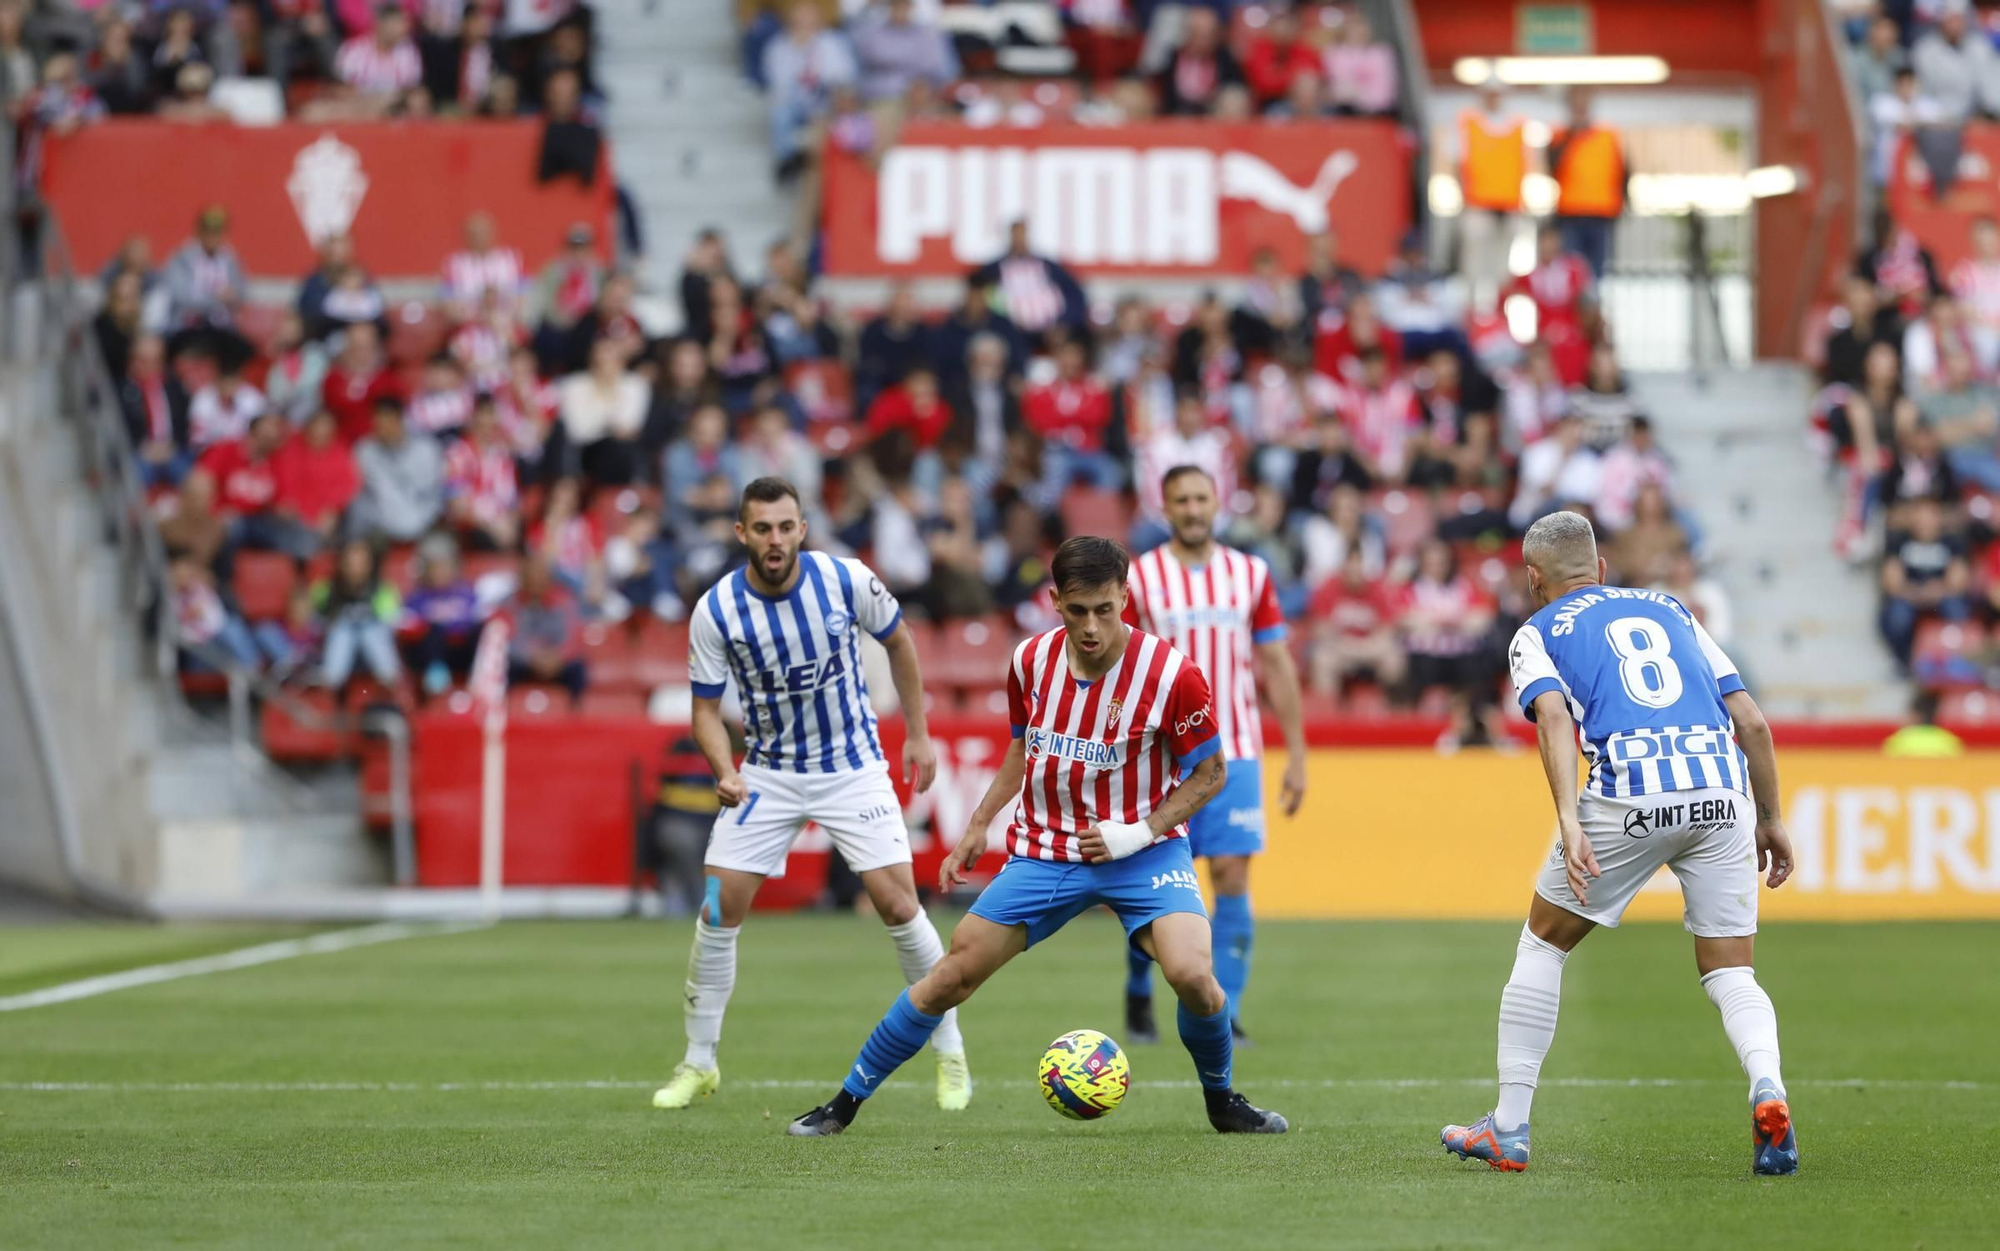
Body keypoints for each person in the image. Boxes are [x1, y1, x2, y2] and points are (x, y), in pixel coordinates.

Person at [786, 536, 1286, 1138]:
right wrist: (977, 825)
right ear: (1055, 601)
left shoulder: (1174, 674)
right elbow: (1025, 747)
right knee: (951, 976)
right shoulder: (1029, 662)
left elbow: (1212, 771)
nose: (1093, 626)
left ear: (1125, 597)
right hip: (1047, 852)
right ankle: (843, 1104)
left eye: (1106, 609)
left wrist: (1142, 830)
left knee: (1193, 979)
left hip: (1146, 853)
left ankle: (1222, 1100)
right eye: (1078, 611)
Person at [1441, 511, 1798, 1176]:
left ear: (1533, 578)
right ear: (1601, 568)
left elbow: (1550, 715)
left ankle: (1509, 1128)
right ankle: (1768, 1087)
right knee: (1731, 970)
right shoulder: (1671, 608)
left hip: (1629, 791)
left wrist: (1571, 819)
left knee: (1543, 941)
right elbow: (1749, 718)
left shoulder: (1536, 632)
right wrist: (1770, 816)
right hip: (1721, 792)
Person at [655, 477, 973, 1115]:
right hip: (766, 773)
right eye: (762, 529)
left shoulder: (845, 579)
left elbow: (900, 641)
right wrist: (724, 768)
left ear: (802, 528)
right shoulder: (716, 610)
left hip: (852, 767)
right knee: (718, 907)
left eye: (786, 527)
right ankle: (699, 1062)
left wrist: (918, 734)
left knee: (897, 903)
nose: (775, 540)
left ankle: (951, 1051)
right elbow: (705, 712)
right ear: (742, 533)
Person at [1117, 466, 1306, 1043]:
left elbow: (1275, 663)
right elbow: (1120, 664)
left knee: (1230, 874)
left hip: (1237, 749)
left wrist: (1297, 752)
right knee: (1152, 882)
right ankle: (1140, 988)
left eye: (1202, 498)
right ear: (1165, 506)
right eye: (1182, 500)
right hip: (1160, 755)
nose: (1194, 509)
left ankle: (1224, 1010)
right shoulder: (1142, 578)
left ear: (1217, 502)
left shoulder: (1249, 574)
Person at [1458, 85, 1526, 307]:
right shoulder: (1469, 123)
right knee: (1473, 267)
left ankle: (1500, 314)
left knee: (1502, 270)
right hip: (1478, 206)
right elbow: (1458, 164)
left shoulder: (1517, 126)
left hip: (1508, 208)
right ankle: (1471, 314)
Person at [1548, 88, 1628, 279]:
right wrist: (1571, 136)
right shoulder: (1560, 136)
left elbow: (1623, 171)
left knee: (1597, 270)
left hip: (1601, 214)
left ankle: (1593, 306)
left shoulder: (1608, 135)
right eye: (1576, 103)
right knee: (1571, 270)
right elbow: (1552, 167)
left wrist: (1622, 204)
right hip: (1570, 214)